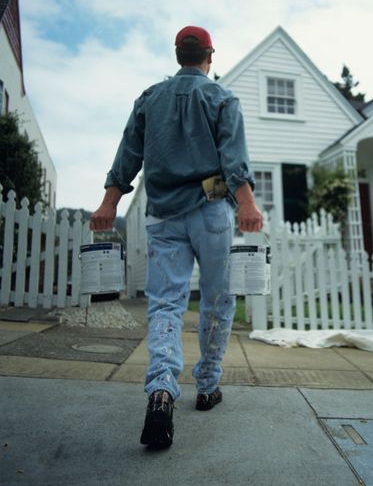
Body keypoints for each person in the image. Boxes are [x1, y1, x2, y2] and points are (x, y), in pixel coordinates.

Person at [90, 25, 262, 449]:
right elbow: (233, 156)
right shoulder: (222, 98)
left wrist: (109, 203)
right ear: (210, 55)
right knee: (218, 299)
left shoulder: (150, 98)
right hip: (212, 213)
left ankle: (162, 390)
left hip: (163, 215)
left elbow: (128, 153)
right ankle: (207, 385)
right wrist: (247, 203)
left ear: (176, 54)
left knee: (166, 303)